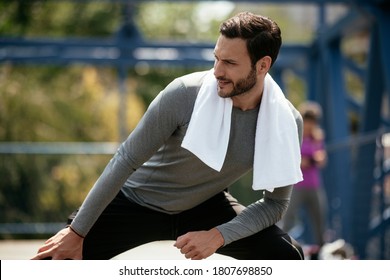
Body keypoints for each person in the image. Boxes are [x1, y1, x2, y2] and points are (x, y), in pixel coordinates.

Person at [32, 11, 304, 260]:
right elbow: (126, 159)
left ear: (262, 66)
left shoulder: (285, 122)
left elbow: (275, 204)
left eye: (230, 63)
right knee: (56, 261)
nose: (218, 71)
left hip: (205, 205)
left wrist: (218, 235)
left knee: (287, 256)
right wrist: (77, 231)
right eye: (216, 58)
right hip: (137, 200)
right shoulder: (184, 93)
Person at [280, 101, 327, 258]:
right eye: (307, 121)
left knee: (319, 219)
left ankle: (321, 253)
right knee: (288, 219)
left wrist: (315, 159)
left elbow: (322, 157)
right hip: (297, 186)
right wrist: (303, 160)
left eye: (312, 122)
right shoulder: (295, 134)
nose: (309, 125)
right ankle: (280, 248)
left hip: (314, 185)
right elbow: (289, 156)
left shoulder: (317, 137)